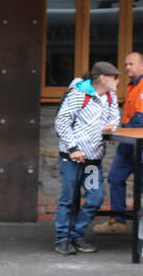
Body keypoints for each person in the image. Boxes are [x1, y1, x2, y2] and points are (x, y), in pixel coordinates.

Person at [54, 60, 121, 255]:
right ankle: (62, 240)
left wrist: (109, 129)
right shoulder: (78, 95)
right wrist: (73, 148)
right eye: (114, 77)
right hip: (72, 160)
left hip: (92, 162)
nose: (117, 81)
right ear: (103, 78)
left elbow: (114, 119)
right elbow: (62, 122)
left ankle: (76, 235)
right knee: (69, 200)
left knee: (94, 198)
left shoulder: (110, 97)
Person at [94, 51, 143, 235]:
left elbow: (140, 120)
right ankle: (118, 220)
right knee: (115, 178)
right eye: (126, 64)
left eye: (131, 64)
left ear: (142, 66)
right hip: (127, 144)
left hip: (139, 143)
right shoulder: (132, 87)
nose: (127, 67)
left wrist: (119, 131)